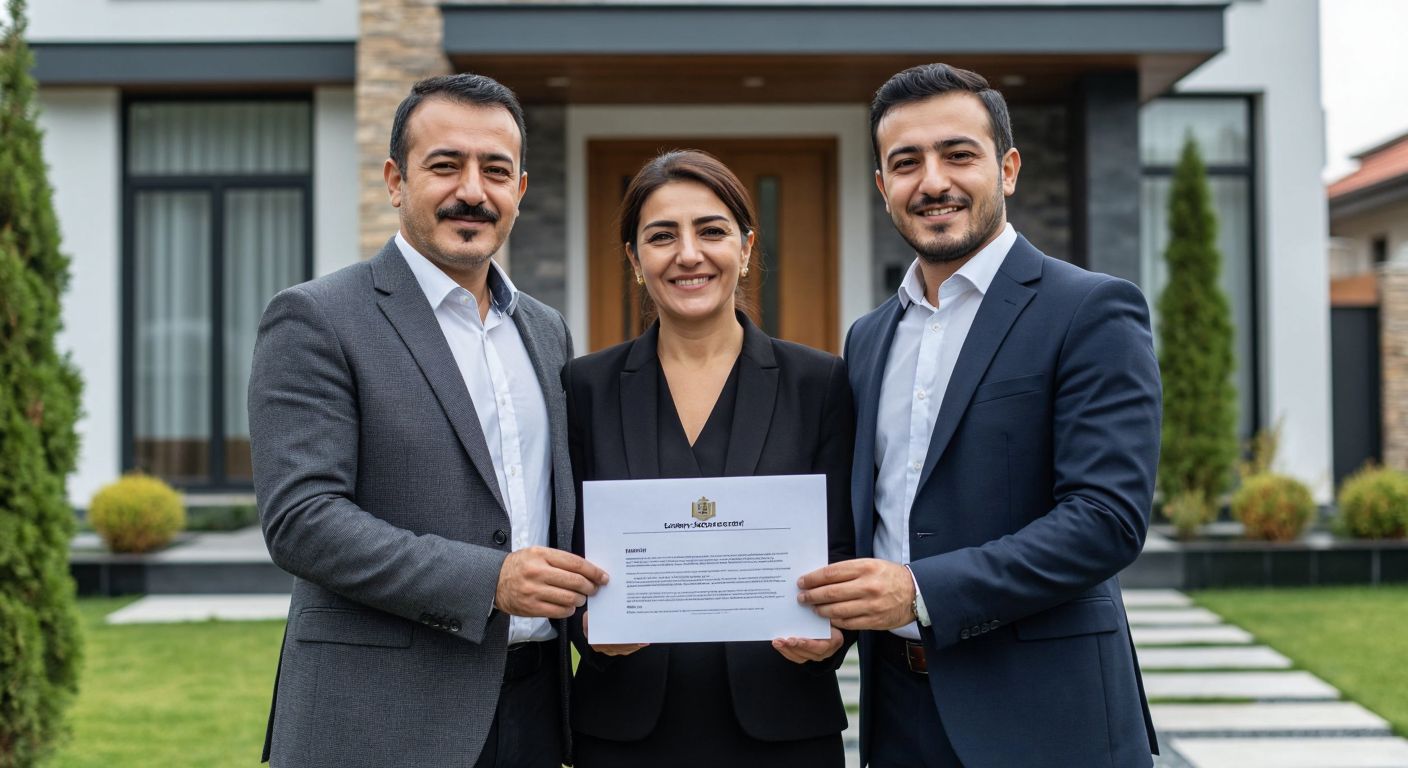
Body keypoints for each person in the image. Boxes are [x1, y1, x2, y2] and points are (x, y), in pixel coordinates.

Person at [796, 63, 1162, 767]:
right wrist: (828, 610)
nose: (932, 181)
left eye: (958, 154)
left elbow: (1105, 520)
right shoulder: (869, 338)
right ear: (882, 188)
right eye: (906, 163)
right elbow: (878, 516)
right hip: (898, 715)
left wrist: (919, 590)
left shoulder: (1090, 310)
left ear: (1009, 168)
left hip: (1048, 717)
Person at [248, 73, 607, 768]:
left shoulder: (544, 329)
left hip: (535, 707)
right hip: (380, 714)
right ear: (395, 179)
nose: (472, 190)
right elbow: (302, 519)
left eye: (495, 170)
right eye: (445, 165)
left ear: (520, 191)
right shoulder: (317, 319)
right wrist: (489, 581)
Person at [562, 149, 855, 768]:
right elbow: (565, 541)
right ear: (634, 260)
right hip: (624, 728)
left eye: (712, 231)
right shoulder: (585, 387)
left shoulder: (820, 382)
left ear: (746, 248)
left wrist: (837, 632)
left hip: (783, 723)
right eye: (662, 236)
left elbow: (844, 544)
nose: (688, 254)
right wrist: (584, 624)